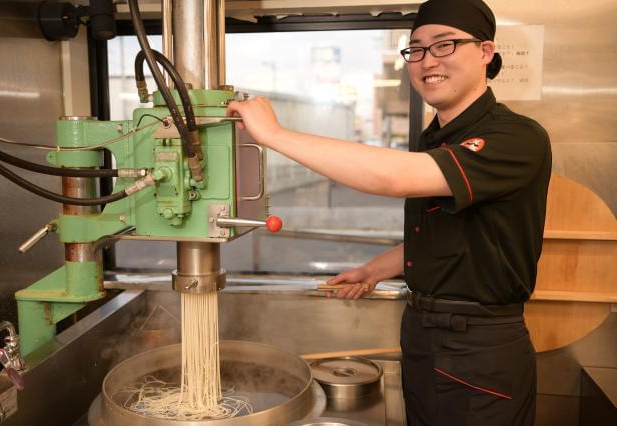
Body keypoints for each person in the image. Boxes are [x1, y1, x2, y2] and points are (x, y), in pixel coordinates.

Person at [227, 0, 551, 424]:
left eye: (444, 45)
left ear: (486, 52)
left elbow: (392, 177)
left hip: (479, 346)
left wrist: (273, 135)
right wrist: (377, 269)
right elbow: (450, 232)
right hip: (423, 332)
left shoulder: (516, 137)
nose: (426, 61)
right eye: (415, 49)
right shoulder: (434, 136)